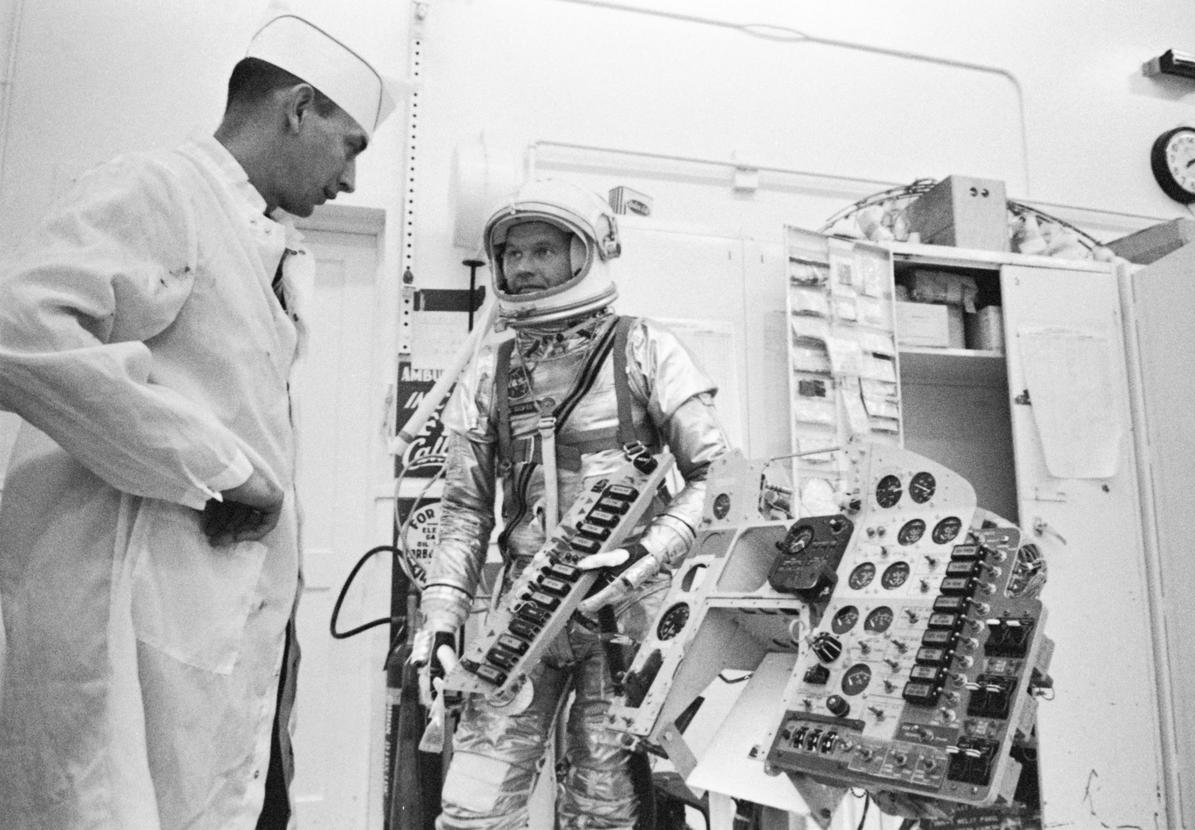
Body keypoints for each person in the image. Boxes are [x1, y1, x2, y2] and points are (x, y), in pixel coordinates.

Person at [0, 13, 395, 829]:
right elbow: (20, 331)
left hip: (211, 618)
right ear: (298, 108)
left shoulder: (258, 238)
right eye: (351, 145)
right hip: (130, 615)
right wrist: (222, 468)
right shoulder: (160, 189)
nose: (351, 180)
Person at [414, 178, 731, 829]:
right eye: (510, 255)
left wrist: (649, 551)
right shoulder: (490, 372)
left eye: (540, 251)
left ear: (582, 254)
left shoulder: (644, 348)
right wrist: (441, 616)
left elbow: (720, 478)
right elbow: (464, 510)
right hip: (525, 609)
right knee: (473, 804)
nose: (522, 267)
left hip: (624, 611)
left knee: (602, 806)